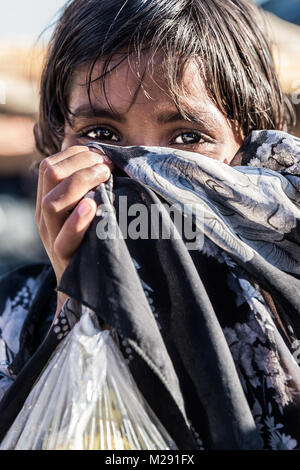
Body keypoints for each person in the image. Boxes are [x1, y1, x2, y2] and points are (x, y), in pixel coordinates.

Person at [0, 0, 299, 450]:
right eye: (101, 135)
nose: (140, 174)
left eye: (186, 138)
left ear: (250, 158)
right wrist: (77, 298)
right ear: (55, 143)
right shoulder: (13, 317)